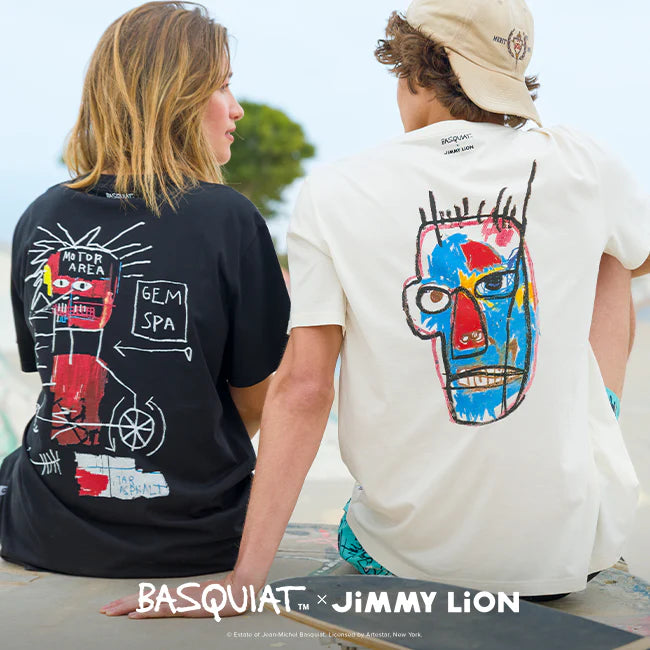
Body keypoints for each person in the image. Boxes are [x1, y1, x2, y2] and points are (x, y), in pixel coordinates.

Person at [104, 0, 649, 617]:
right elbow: (637, 258)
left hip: (403, 563)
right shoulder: (583, 160)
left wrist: (243, 582)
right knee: (613, 254)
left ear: (410, 67)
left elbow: (305, 388)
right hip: (567, 553)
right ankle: (590, 435)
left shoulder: (336, 190)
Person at [0, 1, 289, 578]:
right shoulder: (229, 219)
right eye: (222, 87)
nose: (236, 109)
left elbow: (48, 375)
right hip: (197, 537)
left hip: (42, 530)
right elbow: (259, 401)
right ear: (177, 97)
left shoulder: (40, 216)